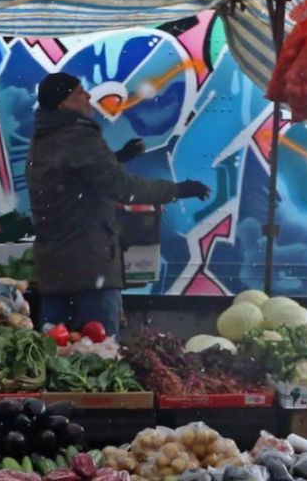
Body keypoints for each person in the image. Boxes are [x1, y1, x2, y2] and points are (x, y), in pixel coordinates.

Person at [25, 72, 210, 336]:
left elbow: (73, 175)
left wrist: (118, 157)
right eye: (79, 92)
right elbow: (122, 187)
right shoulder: (78, 136)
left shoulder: (43, 139)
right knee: (100, 354)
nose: (88, 96)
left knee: (56, 351)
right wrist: (177, 190)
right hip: (89, 267)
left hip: (55, 267)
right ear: (63, 102)